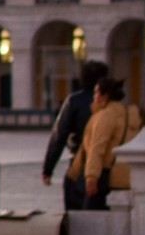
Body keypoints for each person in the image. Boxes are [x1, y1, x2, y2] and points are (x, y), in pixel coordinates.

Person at [69, 75, 140, 210]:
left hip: (105, 178)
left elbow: (97, 148)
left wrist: (91, 177)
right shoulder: (129, 115)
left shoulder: (105, 115)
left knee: (91, 221)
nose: (94, 96)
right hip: (126, 178)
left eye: (96, 92)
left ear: (104, 96)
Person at [42, 61, 107, 208]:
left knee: (75, 217)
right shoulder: (112, 104)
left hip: (79, 164)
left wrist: (48, 169)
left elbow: (59, 136)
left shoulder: (74, 101)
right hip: (106, 168)